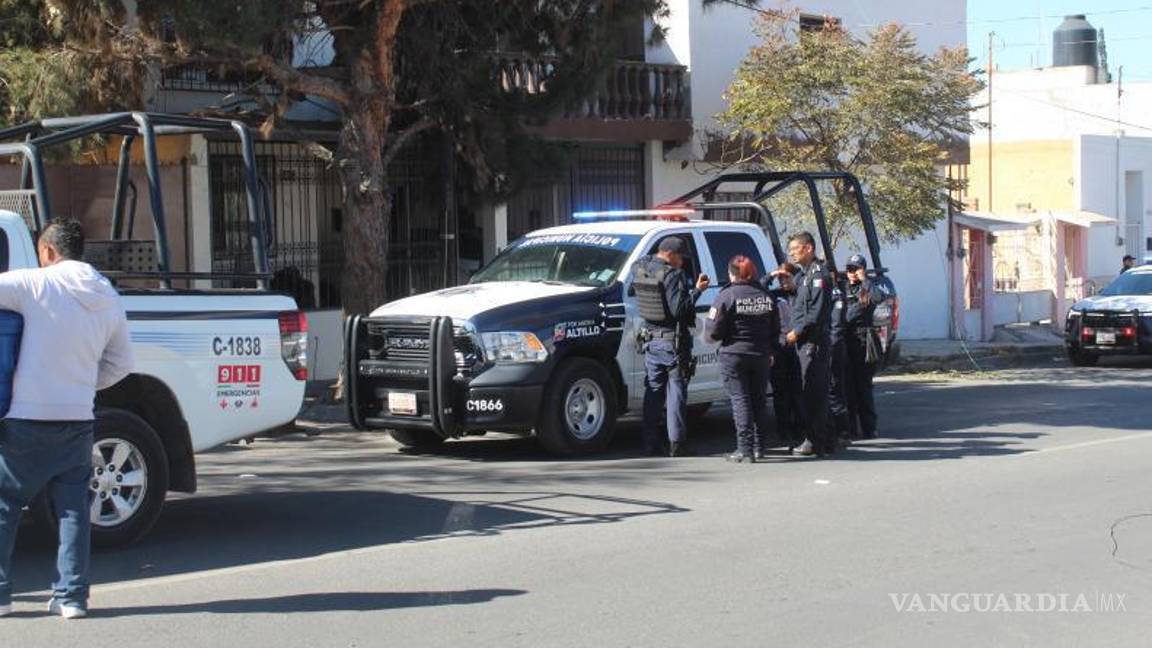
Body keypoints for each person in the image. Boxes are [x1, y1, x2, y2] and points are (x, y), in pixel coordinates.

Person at [0, 220, 134, 619]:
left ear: (48, 251)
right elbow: (122, 363)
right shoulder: (107, 295)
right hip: (78, 417)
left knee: (6, 504)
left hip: (28, 416)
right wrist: (84, 385)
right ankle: (72, 597)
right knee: (73, 510)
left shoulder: (35, 285)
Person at [631, 237, 709, 457]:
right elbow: (679, 310)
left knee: (653, 392)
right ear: (670, 254)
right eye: (680, 257)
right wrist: (697, 291)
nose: (682, 262)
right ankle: (677, 444)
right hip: (671, 343)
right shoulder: (673, 275)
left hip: (650, 341)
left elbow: (634, 287)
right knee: (676, 392)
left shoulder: (641, 266)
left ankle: (650, 443)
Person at [707, 255, 779, 463]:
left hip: (734, 355)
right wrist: (772, 349)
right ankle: (759, 447)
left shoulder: (726, 295)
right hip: (761, 355)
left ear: (731, 274)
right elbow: (776, 327)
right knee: (758, 400)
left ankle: (744, 449)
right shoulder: (766, 295)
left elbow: (714, 332)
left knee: (740, 400)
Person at [784, 232, 834, 457]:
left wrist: (797, 331)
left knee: (813, 392)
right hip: (804, 341)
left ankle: (815, 441)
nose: (792, 252)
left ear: (809, 248)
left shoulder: (818, 275)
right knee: (806, 391)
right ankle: (822, 438)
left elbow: (816, 312)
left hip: (813, 341)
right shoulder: (803, 275)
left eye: (796, 248)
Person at [767, 264, 803, 450]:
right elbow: (756, 289)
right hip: (779, 346)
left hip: (799, 345)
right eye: (781, 278)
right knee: (780, 392)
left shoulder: (802, 294)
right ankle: (783, 429)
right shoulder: (774, 295)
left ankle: (800, 429)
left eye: (787, 277)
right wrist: (771, 275)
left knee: (798, 390)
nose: (784, 281)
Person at [844, 254, 879, 439]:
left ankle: (869, 427)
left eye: (855, 269)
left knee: (863, 386)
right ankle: (850, 428)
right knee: (848, 386)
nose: (852, 273)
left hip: (864, 340)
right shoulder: (843, 286)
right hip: (846, 339)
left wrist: (864, 279)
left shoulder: (868, 287)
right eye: (849, 269)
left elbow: (878, 297)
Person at [827, 269, 852, 446]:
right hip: (827, 345)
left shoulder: (835, 294)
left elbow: (836, 325)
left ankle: (842, 433)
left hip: (833, 346)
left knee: (835, 390)